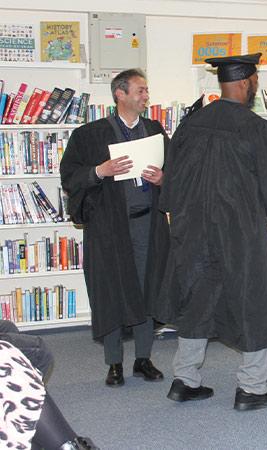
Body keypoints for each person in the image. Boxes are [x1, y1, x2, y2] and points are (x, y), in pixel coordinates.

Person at [157, 53, 267, 411]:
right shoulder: (256, 129)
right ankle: (252, 388)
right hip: (239, 233)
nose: (255, 86)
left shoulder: (190, 126)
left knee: (197, 299)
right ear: (245, 83)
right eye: (255, 80)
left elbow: (170, 181)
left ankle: (184, 380)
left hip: (193, 232)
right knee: (252, 303)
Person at [60, 68, 169, 387]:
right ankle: (114, 363)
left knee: (148, 290)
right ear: (120, 94)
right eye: (140, 91)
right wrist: (100, 170)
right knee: (110, 291)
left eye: (146, 91)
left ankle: (144, 359)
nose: (146, 96)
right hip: (110, 228)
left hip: (148, 225)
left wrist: (163, 179)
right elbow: (70, 176)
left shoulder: (155, 131)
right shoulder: (90, 134)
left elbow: (173, 170)